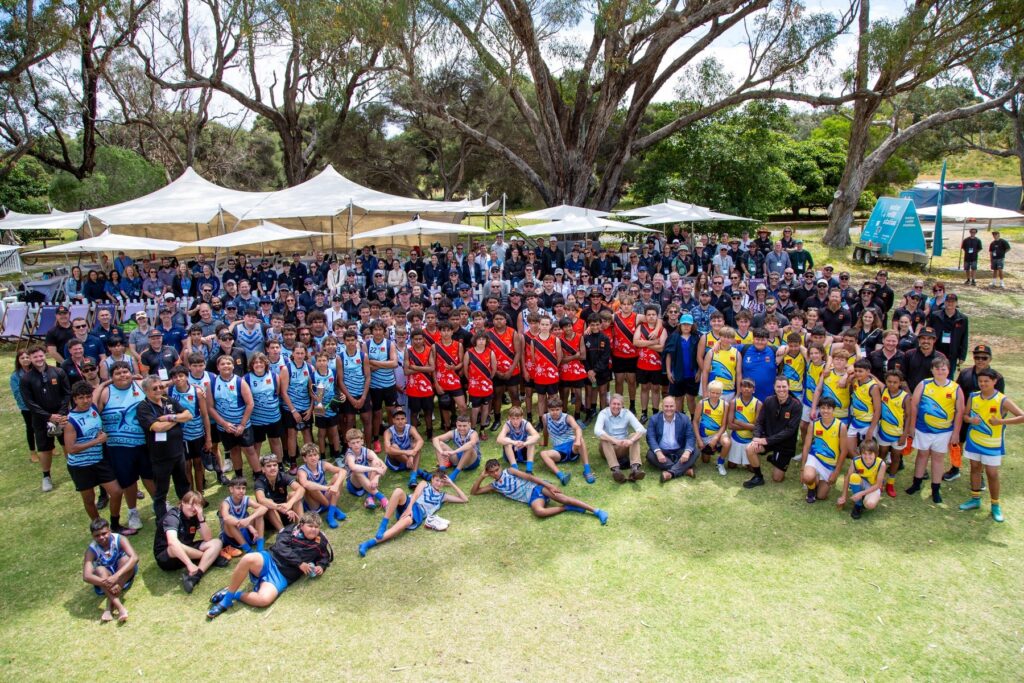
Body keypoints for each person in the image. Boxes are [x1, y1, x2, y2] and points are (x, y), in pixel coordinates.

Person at [206, 511, 333, 619]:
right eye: (310, 526)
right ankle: (226, 601)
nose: (314, 529)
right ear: (301, 525)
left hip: (282, 576)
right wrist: (299, 563)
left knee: (264, 600)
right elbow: (281, 547)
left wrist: (321, 566)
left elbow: (325, 556)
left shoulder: (320, 541)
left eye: (317, 527)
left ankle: (234, 594)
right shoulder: (290, 530)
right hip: (270, 560)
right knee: (248, 558)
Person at [959, 368, 1023, 522]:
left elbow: (1021, 416)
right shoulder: (973, 397)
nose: (983, 384)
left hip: (992, 444)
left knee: (992, 474)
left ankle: (995, 505)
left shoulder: (1002, 399)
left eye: (986, 381)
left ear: (994, 381)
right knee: (975, 469)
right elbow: (965, 415)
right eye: (980, 381)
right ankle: (975, 499)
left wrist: (1001, 421)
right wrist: (970, 420)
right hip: (974, 441)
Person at [357, 470, 470, 557]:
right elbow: (415, 494)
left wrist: (451, 483)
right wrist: (409, 507)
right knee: (398, 491)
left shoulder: (443, 496)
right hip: (410, 503)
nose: (439, 483)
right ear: (432, 479)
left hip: (418, 512)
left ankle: (369, 543)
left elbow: (464, 499)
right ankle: (384, 524)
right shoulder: (424, 483)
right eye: (437, 480)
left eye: (442, 481)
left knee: (407, 521)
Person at [471, 459, 608, 525]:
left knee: (563, 497)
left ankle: (596, 511)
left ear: (500, 467)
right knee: (539, 512)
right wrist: (481, 477)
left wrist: (548, 485)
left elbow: (529, 477)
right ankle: (566, 509)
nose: (495, 473)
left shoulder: (510, 471)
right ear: (488, 473)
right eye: (492, 472)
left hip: (536, 487)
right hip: (533, 499)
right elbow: (474, 492)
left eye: (497, 470)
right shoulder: (494, 486)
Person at [905, 357, 964, 504]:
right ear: (932, 370)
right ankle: (916, 483)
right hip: (923, 429)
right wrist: (912, 426)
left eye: (943, 369)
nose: (940, 371)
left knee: (938, 458)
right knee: (922, 455)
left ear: (948, 370)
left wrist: (956, 432)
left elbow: (960, 411)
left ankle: (935, 489)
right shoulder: (924, 384)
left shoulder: (955, 388)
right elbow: (914, 406)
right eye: (937, 368)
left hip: (944, 431)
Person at [136, 375, 193, 520]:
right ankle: (162, 522)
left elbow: (188, 415)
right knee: (161, 492)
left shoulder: (168, 400)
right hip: (161, 457)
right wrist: (177, 419)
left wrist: (170, 418)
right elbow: (158, 428)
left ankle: (188, 516)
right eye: (154, 388)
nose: (159, 390)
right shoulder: (143, 407)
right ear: (146, 391)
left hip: (178, 453)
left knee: (184, 487)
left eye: (161, 387)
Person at [63, 381, 122, 521]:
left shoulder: (93, 408)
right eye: (81, 398)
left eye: (88, 396)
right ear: (75, 399)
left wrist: (113, 380)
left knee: (117, 492)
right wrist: (97, 441)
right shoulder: (70, 421)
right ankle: (99, 526)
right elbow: (71, 449)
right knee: (89, 500)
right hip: (80, 466)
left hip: (99, 461)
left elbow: (100, 387)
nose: (86, 400)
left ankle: (114, 523)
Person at [153, 491, 225, 593]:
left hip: (186, 548)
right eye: (191, 504)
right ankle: (209, 558)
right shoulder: (172, 517)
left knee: (217, 543)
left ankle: (196, 576)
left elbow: (208, 538)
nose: (194, 508)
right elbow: (172, 543)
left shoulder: (195, 515)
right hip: (167, 557)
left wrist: (200, 517)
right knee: (175, 546)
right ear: (183, 502)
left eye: (197, 506)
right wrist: (189, 564)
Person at [21, 344, 71, 492]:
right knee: (45, 449)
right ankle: (46, 476)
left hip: (61, 417)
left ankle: (74, 469)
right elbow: (29, 402)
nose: (38, 358)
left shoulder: (58, 372)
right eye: (35, 356)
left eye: (40, 355)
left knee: (67, 443)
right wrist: (49, 416)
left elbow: (67, 393)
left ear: (45, 355)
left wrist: (60, 413)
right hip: (41, 419)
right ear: (30, 359)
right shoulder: (26, 379)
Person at [744, 376, 804, 488]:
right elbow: (759, 422)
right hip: (768, 440)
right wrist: (756, 438)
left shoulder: (796, 405)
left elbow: (790, 431)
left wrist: (766, 440)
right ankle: (758, 477)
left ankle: (775, 458)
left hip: (785, 445)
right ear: (774, 387)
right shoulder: (768, 401)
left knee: (777, 478)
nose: (781, 389)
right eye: (778, 386)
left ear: (789, 387)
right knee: (750, 448)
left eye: (784, 386)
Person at [207, 355, 260, 480]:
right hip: (225, 427)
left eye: (228, 363)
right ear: (218, 367)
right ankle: (239, 476)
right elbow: (210, 407)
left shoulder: (239, 381)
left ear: (233, 366)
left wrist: (242, 424)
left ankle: (259, 474)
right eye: (223, 364)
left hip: (243, 425)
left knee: (250, 450)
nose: (226, 366)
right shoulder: (212, 383)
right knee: (234, 451)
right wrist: (224, 424)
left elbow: (250, 403)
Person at [82, 518, 139, 623]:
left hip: (122, 575)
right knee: (99, 570)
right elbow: (86, 576)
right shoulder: (91, 549)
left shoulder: (120, 538)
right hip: (105, 578)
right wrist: (107, 582)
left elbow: (135, 557)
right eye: (97, 535)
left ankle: (109, 607)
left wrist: (116, 577)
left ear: (110, 531)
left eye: (104, 533)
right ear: (92, 536)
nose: (101, 537)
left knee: (126, 560)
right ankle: (120, 608)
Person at [798, 396, 849, 503]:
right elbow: (806, 446)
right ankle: (811, 489)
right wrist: (802, 468)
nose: (825, 411)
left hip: (830, 463)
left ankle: (816, 480)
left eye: (828, 408)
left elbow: (844, 451)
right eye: (822, 408)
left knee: (821, 496)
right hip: (815, 458)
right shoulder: (814, 424)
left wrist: (836, 471)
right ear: (819, 409)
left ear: (833, 409)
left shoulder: (841, 426)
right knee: (808, 477)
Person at [538, 397, 593, 485]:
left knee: (581, 439)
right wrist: (545, 442)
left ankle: (587, 471)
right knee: (543, 453)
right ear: (548, 409)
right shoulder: (545, 417)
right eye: (552, 410)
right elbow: (545, 430)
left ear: (561, 409)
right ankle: (561, 475)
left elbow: (578, 428)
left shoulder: (567, 417)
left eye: (557, 409)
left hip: (572, 448)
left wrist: (577, 440)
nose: (555, 412)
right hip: (558, 452)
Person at [594, 393, 647, 482]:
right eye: (614, 404)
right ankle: (616, 470)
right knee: (604, 439)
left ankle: (635, 469)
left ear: (622, 405)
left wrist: (631, 440)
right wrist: (614, 440)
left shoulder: (627, 413)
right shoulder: (603, 413)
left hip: (623, 446)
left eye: (619, 404)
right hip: (608, 448)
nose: (616, 406)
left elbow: (641, 429)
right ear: (610, 404)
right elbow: (597, 431)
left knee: (634, 435)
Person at [645, 396, 697, 482]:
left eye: (671, 406)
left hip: (679, 449)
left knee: (695, 451)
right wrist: (658, 452)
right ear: (662, 407)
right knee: (650, 455)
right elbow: (650, 437)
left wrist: (687, 452)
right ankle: (684, 470)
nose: (669, 409)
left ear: (675, 406)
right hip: (662, 450)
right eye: (666, 406)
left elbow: (690, 436)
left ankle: (670, 473)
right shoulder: (654, 419)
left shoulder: (684, 419)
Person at [295, 442, 347, 528]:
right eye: (310, 456)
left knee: (338, 476)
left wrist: (336, 486)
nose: (313, 458)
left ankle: (330, 515)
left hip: (325, 494)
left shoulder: (322, 464)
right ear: (304, 458)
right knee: (312, 486)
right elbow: (305, 484)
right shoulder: (302, 470)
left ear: (318, 456)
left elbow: (343, 471)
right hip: (314, 503)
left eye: (315, 455)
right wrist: (327, 488)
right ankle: (334, 510)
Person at [877, 370, 911, 498]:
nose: (892, 384)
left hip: (898, 434)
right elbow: (876, 381)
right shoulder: (884, 391)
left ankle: (891, 482)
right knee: (882, 455)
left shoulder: (905, 397)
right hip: (884, 431)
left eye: (895, 382)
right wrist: (870, 375)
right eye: (889, 382)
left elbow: (908, 416)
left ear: (900, 383)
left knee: (896, 458)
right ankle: (879, 480)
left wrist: (905, 434)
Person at [836, 440, 887, 519]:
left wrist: (861, 494)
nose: (867, 457)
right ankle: (858, 505)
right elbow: (847, 478)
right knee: (853, 477)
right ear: (860, 453)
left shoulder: (881, 464)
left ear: (876, 454)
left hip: (873, 486)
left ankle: (863, 497)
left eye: (870, 454)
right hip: (862, 483)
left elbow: (878, 485)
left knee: (869, 504)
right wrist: (843, 497)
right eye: (864, 453)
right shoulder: (856, 461)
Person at [253, 455, 305, 532]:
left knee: (294, 494)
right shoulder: (259, 482)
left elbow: (301, 489)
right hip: (271, 518)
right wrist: (280, 508)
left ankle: (301, 527)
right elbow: (261, 499)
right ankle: (283, 532)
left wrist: (289, 504)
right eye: (269, 466)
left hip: (287, 513)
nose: (273, 468)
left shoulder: (283, 476)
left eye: (275, 465)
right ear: (263, 469)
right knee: (268, 503)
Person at [218, 477, 267, 556]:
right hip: (231, 536)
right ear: (231, 489)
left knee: (259, 513)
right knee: (229, 521)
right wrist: (249, 526)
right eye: (238, 488)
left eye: (243, 488)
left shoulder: (246, 499)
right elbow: (226, 518)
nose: (241, 491)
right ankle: (248, 550)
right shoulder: (226, 503)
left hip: (245, 530)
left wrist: (249, 519)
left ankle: (260, 547)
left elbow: (264, 508)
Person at [343, 428, 389, 509]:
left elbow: (383, 466)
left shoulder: (367, 451)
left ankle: (369, 497)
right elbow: (353, 467)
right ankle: (382, 498)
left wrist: (376, 478)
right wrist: (374, 469)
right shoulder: (349, 454)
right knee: (356, 471)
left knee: (376, 462)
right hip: (354, 485)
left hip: (367, 481)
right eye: (353, 443)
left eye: (358, 442)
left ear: (362, 441)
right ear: (349, 444)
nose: (356, 445)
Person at [382, 409, 427, 489]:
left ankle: (413, 478)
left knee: (415, 445)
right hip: (395, 463)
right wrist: (407, 452)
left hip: (409, 459)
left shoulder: (410, 428)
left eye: (402, 419)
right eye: (397, 419)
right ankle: (420, 472)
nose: (400, 421)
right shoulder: (388, 432)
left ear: (406, 419)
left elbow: (420, 440)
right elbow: (387, 449)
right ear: (393, 421)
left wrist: (412, 454)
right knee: (394, 447)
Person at [725, 379, 761, 476]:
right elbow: (730, 425)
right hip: (736, 438)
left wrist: (738, 422)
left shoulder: (758, 404)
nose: (746, 389)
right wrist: (748, 426)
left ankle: (748, 459)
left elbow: (756, 427)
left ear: (753, 390)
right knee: (731, 466)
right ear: (740, 389)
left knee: (752, 469)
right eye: (744, 386)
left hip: (749, 440)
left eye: (749, 387)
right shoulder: (734, 402)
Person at [431, 414, 481, 483]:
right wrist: (441, 452)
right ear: (456, 424)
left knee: (469, 447)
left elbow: (472, 443)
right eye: (459, 426)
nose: (462, 428)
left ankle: (455, 473)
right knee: (439, 444)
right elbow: (435, 439)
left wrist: (454, 452)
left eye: (464, 426)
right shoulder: (454, 432)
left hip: (472, 462)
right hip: (459, 457)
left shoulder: (473, 433)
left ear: (469, 424)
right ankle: (442, 471)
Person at [696, 381, 730, 472]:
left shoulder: (725, 405)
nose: (715, 395)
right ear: (708, 392)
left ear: (721, 393)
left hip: (718, 433)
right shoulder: (702, 403)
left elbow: (724, 426)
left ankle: (720, 462)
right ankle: (714, 448)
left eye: (717, 393)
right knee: (705, 460)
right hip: (705, 435)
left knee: (727, 443)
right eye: (713, 392)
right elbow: (695, 422)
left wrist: (716, 438)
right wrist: (699, 439)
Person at [495, 406, 541, 473]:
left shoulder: (526, 424)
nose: (515, 421)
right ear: (509, 418)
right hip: (511, 453)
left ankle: (529, 469)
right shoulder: (507, 425)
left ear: (522, 417)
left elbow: (537, 436)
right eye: (513, 419)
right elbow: (499, 439)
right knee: (507, 441)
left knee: (530, 438)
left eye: (517, 418)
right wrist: (513, 442)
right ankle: (514, 468)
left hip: (524, 450)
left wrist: (524, 443)